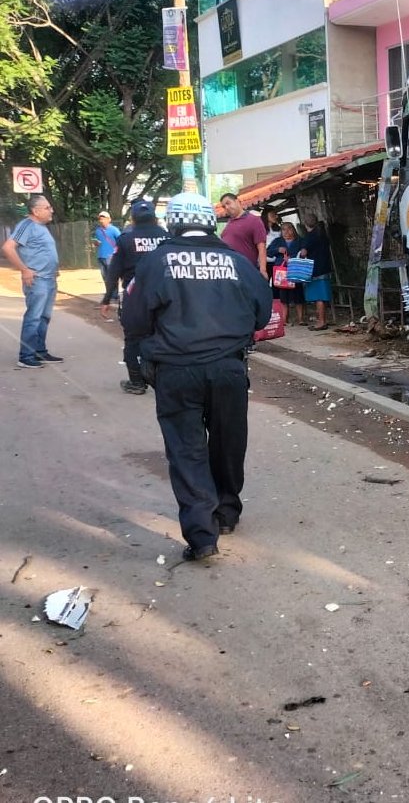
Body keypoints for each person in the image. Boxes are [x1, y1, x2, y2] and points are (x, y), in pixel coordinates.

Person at [122, 192, 272, 563]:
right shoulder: (237, 262)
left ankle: (202, 537)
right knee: (228, 441)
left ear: (172, 222)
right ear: (211, 221)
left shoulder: (156, 262)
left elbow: (135, 319)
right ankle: (226, 514)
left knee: (186, 450)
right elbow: (262, 311)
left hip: (175, 371)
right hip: (228, 368)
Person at [100, 200, 170, 395]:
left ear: (132, 219)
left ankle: (137, 382)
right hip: (166, 296)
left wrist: (107, 299)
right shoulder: (167, 237)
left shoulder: (125, 240)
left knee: (133, 340)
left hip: (135, 298)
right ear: (155, 217)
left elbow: (113, 273)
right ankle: (165, 381)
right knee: (165, 337)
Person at [1, 194, 62, 368]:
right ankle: (26, 356)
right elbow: (8, 247)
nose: (51, 210)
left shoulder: (41, 227)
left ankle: (39, 352)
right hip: (37, 281)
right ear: (35, 211)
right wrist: (24, 269)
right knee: (34, 317)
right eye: (47, 208)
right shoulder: (27, 225)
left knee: (44, 317)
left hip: (49, 279)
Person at [267, 220, 306, 326]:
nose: (286, 231)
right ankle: (285, 319)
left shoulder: (299, 241)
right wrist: (277, 250)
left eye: (289, 228)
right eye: (283, 229)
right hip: (282, 271)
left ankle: (301, 319)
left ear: (293, 229)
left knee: (298, 295)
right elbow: (268, 252)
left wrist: (303, 252)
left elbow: (305, 251)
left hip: (295, 270)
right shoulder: (278, 241)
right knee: (284, 297)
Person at [220, 192, 267, 277]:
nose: (226, 207)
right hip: (229, 271)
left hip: (246, 271)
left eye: (228, 203)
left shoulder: (254, 220)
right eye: (224, 206)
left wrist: (263, 270)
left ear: (237, 201)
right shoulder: (229, 223)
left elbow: (262, 247)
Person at [298, 213, 332, 330]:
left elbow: (303, 253)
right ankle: (324, 320)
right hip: (325, 268)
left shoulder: (309, 237)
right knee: (322, 297)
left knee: (318, 297)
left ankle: (321, 322)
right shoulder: (322, 235)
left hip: (314, 270)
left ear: (305, 224)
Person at [91, 210, 121, 303]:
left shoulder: (114, 230)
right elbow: (96, 242)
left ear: (109, 219)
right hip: (101, 256)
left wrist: (117, 252)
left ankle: (114, 295)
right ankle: (109, 293)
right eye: (100, 218)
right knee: (105, 277)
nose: (101, 220)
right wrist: (95, 243)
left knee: (112, 276)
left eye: (103, 218)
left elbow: (121, 241)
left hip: (111, 256)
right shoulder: (98, 231)